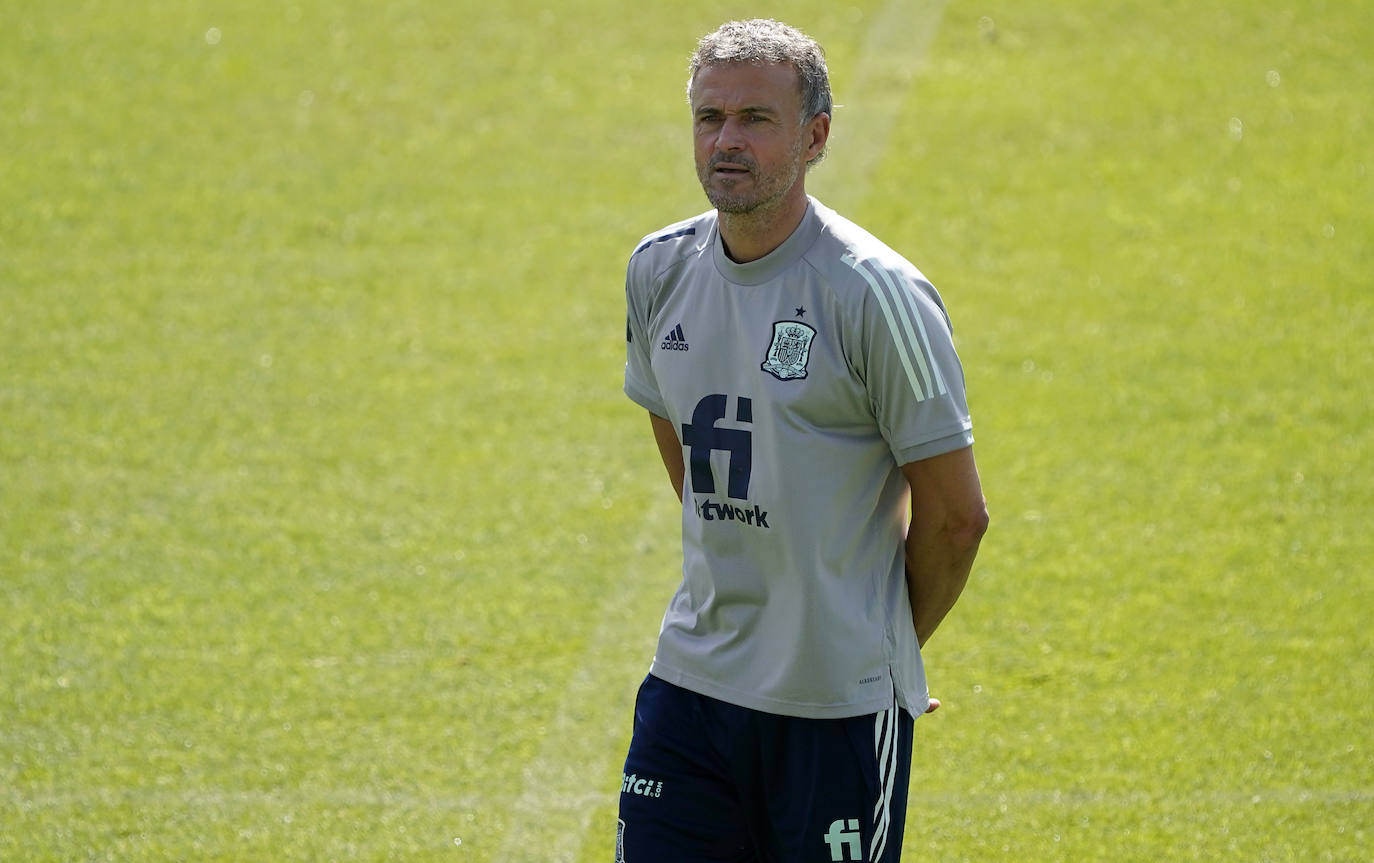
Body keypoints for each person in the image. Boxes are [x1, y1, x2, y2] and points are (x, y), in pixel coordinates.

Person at [617, 18, 988, 862]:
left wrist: (886, 645)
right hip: (693, 688)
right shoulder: (658, 270)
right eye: (710, 118)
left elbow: (957, 515)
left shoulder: (875, 295)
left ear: (815, 136)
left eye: (756, 118)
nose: (726, 141)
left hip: (834, 711)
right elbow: (681, 441)